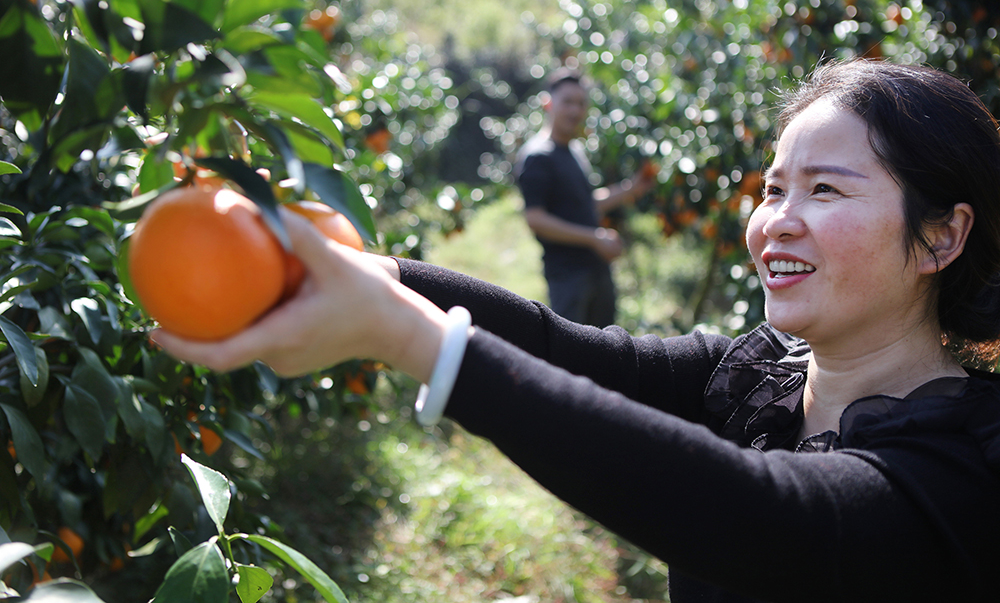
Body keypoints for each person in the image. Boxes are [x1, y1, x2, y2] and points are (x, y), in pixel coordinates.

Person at [153, 60, 1000, 602]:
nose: (777, 219)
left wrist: (412, 339)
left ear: (942, 236)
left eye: (826, 190)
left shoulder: (964, 467)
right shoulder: (755, 376)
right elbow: (560, 348)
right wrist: (368, 273)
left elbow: (761, 517)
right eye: (775, 188)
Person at [515, 69, 653, 327]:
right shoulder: (538, 157)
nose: (575, 110)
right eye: (567, 102)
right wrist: (594, 237)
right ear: (548, 104)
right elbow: (535, 219)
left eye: (581, 103)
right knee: (573, 347)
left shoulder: (574, 150)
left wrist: (631, 189)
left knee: (603, 345)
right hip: (568, 275)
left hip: (596, 270)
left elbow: (585, 203)